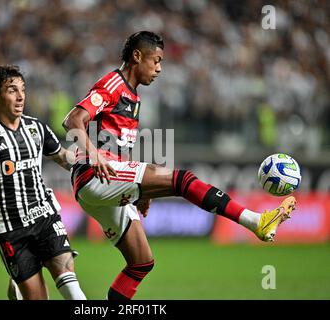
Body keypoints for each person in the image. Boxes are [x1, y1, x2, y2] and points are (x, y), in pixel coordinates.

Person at [62, 31, 297, 300]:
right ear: (137, 56)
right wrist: (94, 155)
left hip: (100, 186)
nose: (159, 69)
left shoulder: (133, 96)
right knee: (182, 180)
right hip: (94, 175)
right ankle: (256, 221)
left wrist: (142, 190)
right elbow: (73, 120)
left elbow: (112, 144)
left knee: (141, 262)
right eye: (156, 60)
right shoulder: (112, 84)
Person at [0, 65, 86, 300]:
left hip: (45, 217)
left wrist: (92, 163)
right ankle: (18, 286)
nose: (20, 97)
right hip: (10, 229)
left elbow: (62, 157)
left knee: (71, 287)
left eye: (23, 90)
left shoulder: (36, 127)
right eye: (12, 91)